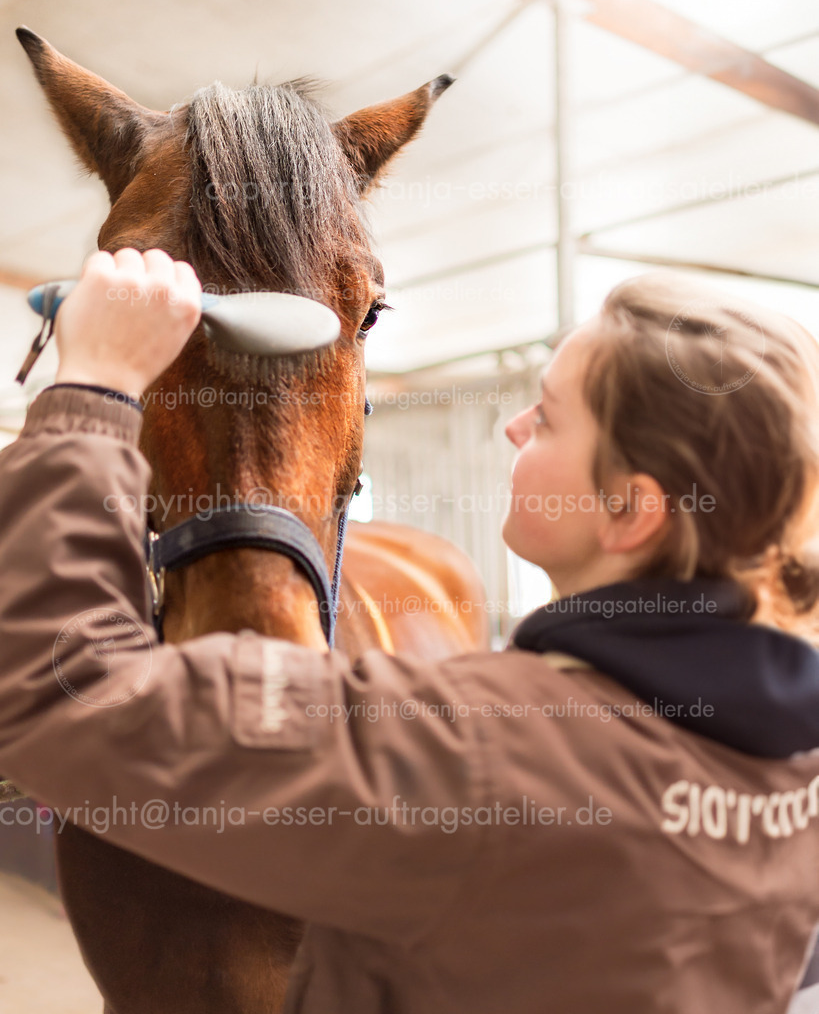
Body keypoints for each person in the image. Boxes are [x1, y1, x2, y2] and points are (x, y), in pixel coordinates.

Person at [0, 247, 818, 1014]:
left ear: (630, 511)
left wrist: (97, 388)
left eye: (551, 418)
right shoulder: (792, 768)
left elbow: (69, 693)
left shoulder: (475, 755)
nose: (513, 427)